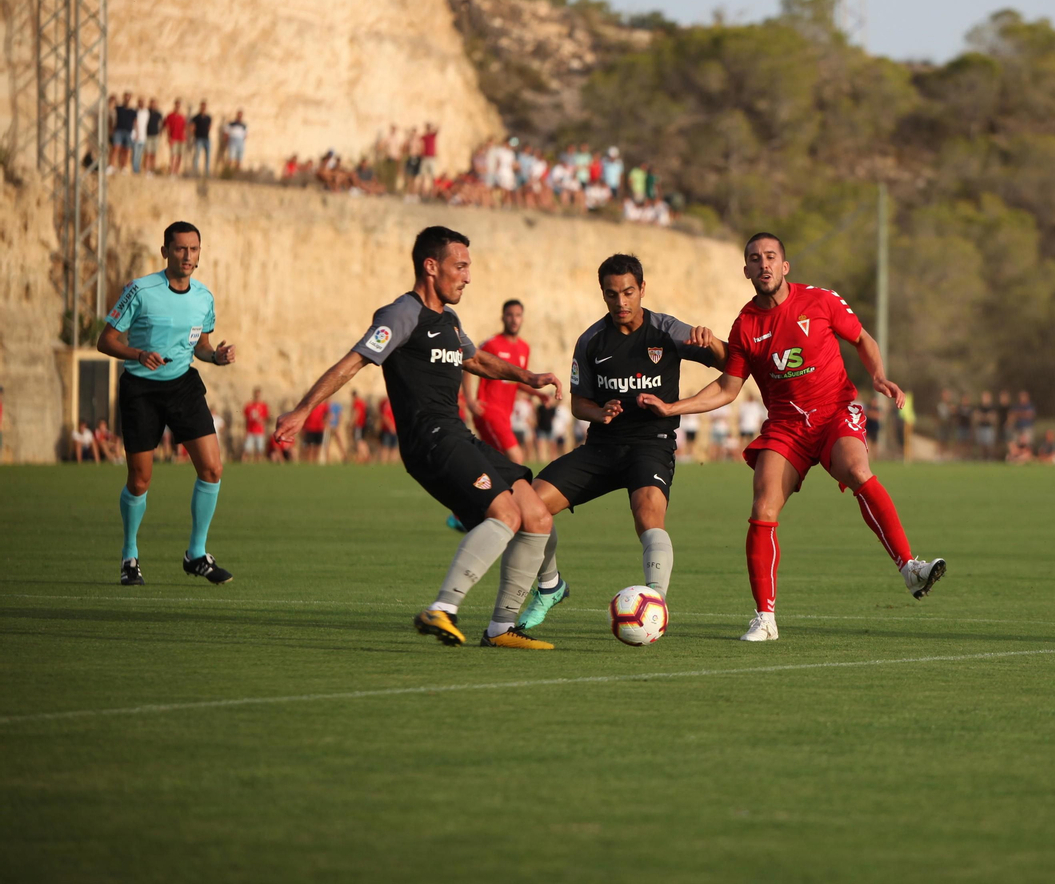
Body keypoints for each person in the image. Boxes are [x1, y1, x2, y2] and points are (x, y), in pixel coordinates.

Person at [637, 232, 946, 642]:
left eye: (770, 257)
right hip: (786, 426)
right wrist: (673, 407)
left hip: (835, 411)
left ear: (785, 266)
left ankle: (910, 568)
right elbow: (728, 389)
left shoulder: (820, 300)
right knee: (763, 506)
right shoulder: (746, 324)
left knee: (856, 468)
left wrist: (878, 376)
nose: (762, 264)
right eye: (754, 258)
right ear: (746, 270)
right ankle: (765, 618)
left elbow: (862, 339)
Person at [273, 226, 562, 649]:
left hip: (457, 434)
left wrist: (528, 377)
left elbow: (477, 360)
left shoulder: (449, 320)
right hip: (429, 439)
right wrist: (303, 409)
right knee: (506, 514)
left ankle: (502, 628)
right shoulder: (401, 314)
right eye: (460, 266)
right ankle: (442, 609)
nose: (467, 276)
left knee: (537, 514)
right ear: (431, 266)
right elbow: (353, 362)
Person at [510, 254, 728, 632]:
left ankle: (655, 602)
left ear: (642, 289)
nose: (621, 302)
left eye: (628, 292)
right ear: (603, 294)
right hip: (602, 447)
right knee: (524, 507)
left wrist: (714, 344)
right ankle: (549, 586)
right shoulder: (591, 341)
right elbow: (580, 404)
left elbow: (731, 364)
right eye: (612, 294)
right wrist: (601, 412)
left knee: (647, 514)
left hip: (652, 443)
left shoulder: (668, 331)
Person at [96, 221, 237, 586]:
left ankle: (197, 554)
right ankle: (130, 556)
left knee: (212, 469)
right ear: (165, 252)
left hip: (183, 386)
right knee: (140, 481)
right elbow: (105, 340)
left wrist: (216, 356)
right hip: (141, 390)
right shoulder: (140, 290)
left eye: (193, 249)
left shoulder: (204, 297)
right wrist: (138, 354)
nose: (187, 256)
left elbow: (201, 345)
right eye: (180, 249)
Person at [467, 299, 535, 465]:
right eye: (510, 315)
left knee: (494, 463)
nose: (514, 319)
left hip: (506, 414)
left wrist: (539, 394)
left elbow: (519, 380)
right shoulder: (491, 344)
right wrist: (469, 400)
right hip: (488, 410)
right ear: (503, 318)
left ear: (522, 318)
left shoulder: (524, 348)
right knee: (516, 457)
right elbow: (468, 364)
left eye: (518, 315)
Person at [242, 387, 270, 462]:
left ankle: (257, 464)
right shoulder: (249, 406)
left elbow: (267, 418)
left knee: (259, 450)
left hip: (260, 431)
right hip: (250, 430)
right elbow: (246, 420)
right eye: (256, 395)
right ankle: (243, 464)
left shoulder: (263, 406)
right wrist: (245, 431)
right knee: (247, 449)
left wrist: (261, 420)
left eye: (258, 395)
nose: (257, 397)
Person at [163, 98, 187, 175]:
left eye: (179, 105)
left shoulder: (182, 117)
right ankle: (172, 171)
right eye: (177, 105)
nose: (178, 106)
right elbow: (167, 127)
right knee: (173, 155)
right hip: (173, 138)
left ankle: (176, 171)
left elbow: (184, 128)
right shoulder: (170, 116)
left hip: (181, 139)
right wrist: (168, 137)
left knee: (179, 156)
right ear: (175, 105)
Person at [190, 101, 213, 177]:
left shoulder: (208, 117)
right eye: (202, 106)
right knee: (197, 155)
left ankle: (206, 173)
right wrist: (195, 135)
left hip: (206, 138)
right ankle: (196, 171)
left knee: (208, 156)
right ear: (200, 107)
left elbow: (209, 127)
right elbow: (192, 128)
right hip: (199, 138)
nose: (203, 108)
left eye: (204, 106)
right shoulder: (196, 117)